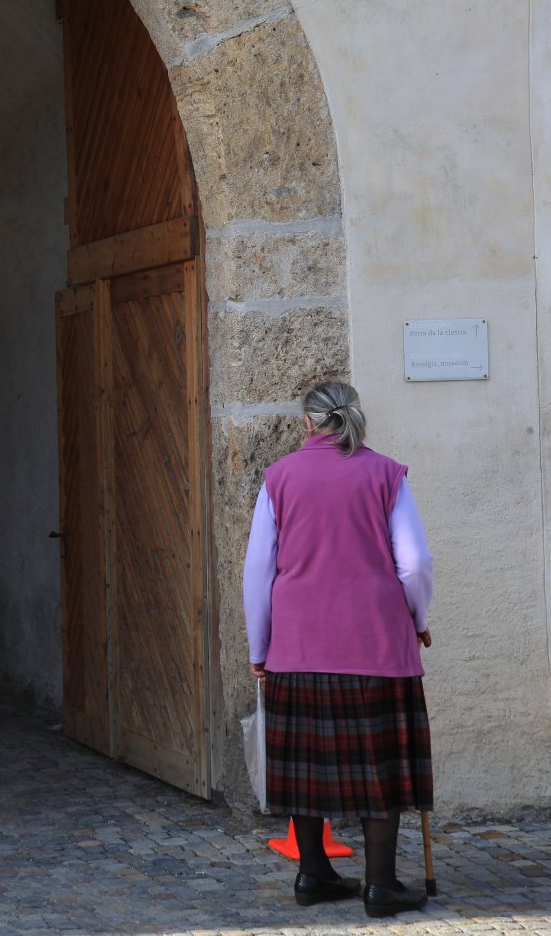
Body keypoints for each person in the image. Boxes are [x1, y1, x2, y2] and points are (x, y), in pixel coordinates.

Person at [243, 381, 435, 918]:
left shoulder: (278, 478)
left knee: (304, 766)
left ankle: (313, 873)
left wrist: (260, 647)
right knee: (382, 766)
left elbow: (258, 571)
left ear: (307, 422)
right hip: (378, 644)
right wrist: (418, 619)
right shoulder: (386, 473)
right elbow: (415, 563)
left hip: (298, 646)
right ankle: (381, 885)